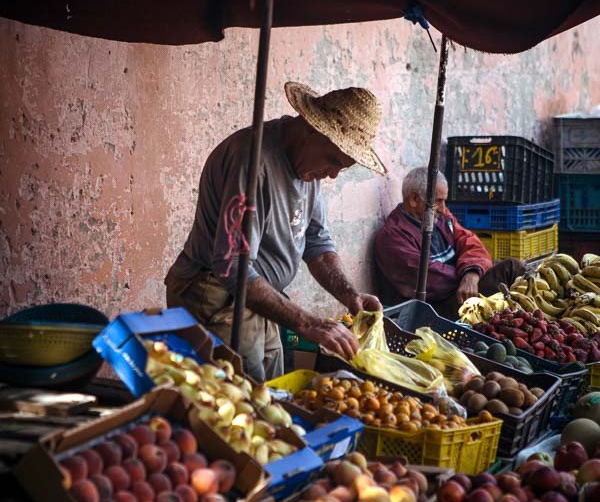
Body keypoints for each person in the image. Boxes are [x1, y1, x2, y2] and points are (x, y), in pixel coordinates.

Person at [165, 81, 386, 382]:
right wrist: (307, 323)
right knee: (241, 405)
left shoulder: (309, 168)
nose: (332, 174)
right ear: (311, 129)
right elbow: (232, 267)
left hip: (261, 298)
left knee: (271, 395)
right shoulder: (253, 162)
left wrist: (350, 295)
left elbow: (317, 244)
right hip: (218, 297)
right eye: (333, 161)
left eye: (342, 168)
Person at [374, 166, 525, 319]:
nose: (443, 208)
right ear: (414, 199)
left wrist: (472, 273)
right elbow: (431, 279)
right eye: (438, 201)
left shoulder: (442, 217)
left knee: (513, 268)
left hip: (459, 290)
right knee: (510, 271)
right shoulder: (391, 237)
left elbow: (470, 242)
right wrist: (467, 277)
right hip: (434, 309)